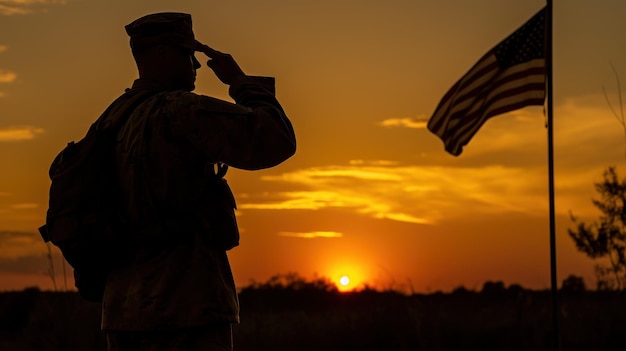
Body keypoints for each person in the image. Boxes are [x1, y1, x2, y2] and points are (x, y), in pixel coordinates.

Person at [100, 12, 296, 351]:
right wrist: (242, 82)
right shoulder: (180, 111)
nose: (197, 64)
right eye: (187, 53)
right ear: (161, 53)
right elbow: (275, 139)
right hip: (185, 309)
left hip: (123, 313)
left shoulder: (111, 119)